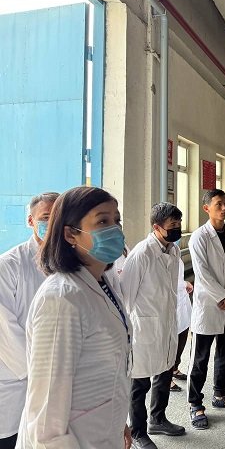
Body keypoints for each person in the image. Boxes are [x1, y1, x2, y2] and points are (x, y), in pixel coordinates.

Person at [16, 186, 131, 448]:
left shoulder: (101, 282)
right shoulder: (62, 299)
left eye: (116, 220)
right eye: (102, 221)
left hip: (100, 430)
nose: (114, 229)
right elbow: (46, 419)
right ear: (70, 234)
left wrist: (117, 420)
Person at [120, 203, 185, 448]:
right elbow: (126, 297)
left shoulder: (173, 250)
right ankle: (138, 431)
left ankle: (158, 419)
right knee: (140, 382)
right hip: (144, 327)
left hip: (166, 322)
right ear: (157, 227)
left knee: (165, 372)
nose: (177, 228)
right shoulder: (141, 254)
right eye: (172, 225)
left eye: (179, 224)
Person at [0, 192, 59, 448]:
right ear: (30, 221)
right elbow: (5, 329)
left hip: (57, 379)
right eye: (45, 217)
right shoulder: (9, 265)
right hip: (17, 379)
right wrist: (40, 373)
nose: (51, 222)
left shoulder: (70, 263)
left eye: (57, 216)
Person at [187, 189, 225, 430]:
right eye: (218, 204)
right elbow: (202, 274)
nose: (223, 208)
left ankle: (220, 395)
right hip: (208, 306)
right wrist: (223, 297)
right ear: (206, 208)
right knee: (200, 359)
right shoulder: (198, 237)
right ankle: (195, 404)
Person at [171, 256, 193, 392]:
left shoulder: (174, 250)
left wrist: (183, 284)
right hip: (169, 304)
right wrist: (184, 284)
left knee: (182, 338)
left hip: (181, 300)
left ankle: (174, 368)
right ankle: (166, 377)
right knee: (170, 344)